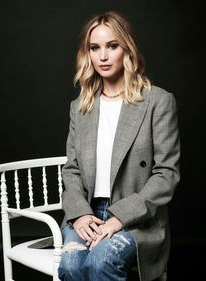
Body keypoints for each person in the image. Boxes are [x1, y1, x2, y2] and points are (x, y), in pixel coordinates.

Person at [58, 11, 180, 281]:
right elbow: (72, 170)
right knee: (70, 267)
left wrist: (119, 218)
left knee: (102, 262)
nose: (103, 56)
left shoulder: (157, 102)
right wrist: (79, 214)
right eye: (95, 48)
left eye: (112, 46)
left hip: (137, 217)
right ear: (87, 53)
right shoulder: (80, 107)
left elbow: (166, 175)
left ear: (127, 48)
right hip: (88, 211)